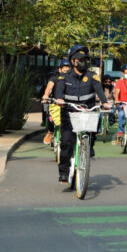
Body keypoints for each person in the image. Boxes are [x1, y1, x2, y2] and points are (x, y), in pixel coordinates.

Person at [53, 44, 111, 183]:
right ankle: (64, 172)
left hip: (87, 113)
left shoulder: (92, 76)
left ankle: (88, 144)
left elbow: (99, 90)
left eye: (86, 59)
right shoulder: (64, 77)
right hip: (68, 113)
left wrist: (105, 102)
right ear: (73, 61)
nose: (85, 61)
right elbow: (59, 91)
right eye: (81, 59)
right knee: (66, 142)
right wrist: (59, 99)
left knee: (93, 126)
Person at [42, 58, 71, 144]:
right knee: (50, 118)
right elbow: (49, 88)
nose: (66, 70)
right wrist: (46, 96)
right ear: (60, 69)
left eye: (68, 68)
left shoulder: (73, 80)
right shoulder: (54, 78)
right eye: (64, 68)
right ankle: (50, 132)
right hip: (55, 103)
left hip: (68, 104)